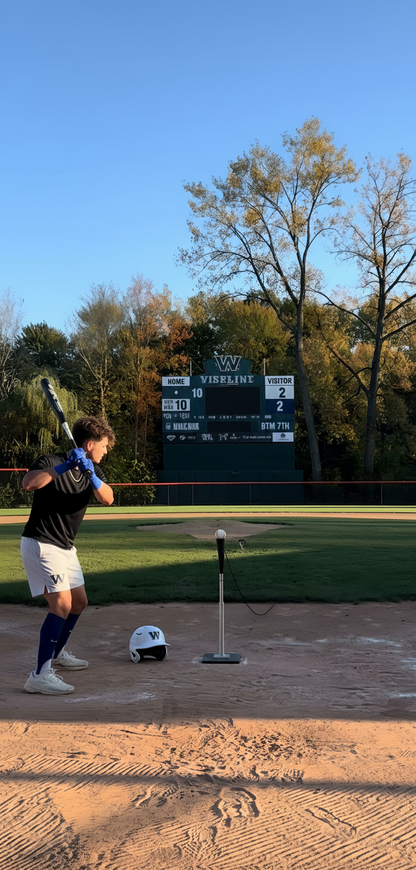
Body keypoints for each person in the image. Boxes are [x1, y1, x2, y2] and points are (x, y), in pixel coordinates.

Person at [20, 416, 115, 695]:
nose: (106, 451)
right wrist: (64, 466)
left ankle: (58, 652)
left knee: (79, 602)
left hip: (65, 547)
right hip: (41, 542)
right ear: (89, 444)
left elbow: (107, 498)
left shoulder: (90, 471)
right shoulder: (50, 461)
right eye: (104, 446)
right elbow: (29, 483)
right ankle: (39, 675)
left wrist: (92, 475)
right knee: (61, 604)